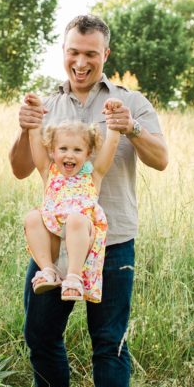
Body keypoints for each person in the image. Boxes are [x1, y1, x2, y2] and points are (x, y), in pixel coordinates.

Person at [9, 14, 168, 387]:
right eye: (74, 53)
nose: (81, 62)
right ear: (64, 52)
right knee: (40, 334)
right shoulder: (46, 104)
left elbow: (161, 159)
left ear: (105, 55)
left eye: (91, 54)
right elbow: (21, 169)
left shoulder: (130, 102)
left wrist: (129, 128)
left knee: (109, 343)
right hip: (55, 244)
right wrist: (25, 127)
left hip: (113, 240)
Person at [24, 92, 123, 302]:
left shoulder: (93, 174)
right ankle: (48, 271)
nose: (69, 155)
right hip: (52, 240)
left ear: (88, 154)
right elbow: (34, 137)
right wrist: (35, 114)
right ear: (52, 150)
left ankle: (74, 278)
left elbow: (111, 145)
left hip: (80, 242)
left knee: (77, 219)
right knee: (32, 217)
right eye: (63, 149)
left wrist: (114, 122)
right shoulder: (48, 170)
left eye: (77, 150)